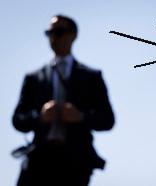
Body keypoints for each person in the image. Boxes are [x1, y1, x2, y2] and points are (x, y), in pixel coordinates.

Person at [12, 15, 115, 186]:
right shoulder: (33, 78)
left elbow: (107, 120)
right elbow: (17, 120)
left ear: (73, 35)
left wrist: (81, 116)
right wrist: (39, 116)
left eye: (58, 32)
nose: (53, 37)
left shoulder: (91, 77)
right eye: (49, 33)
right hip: (38, 161)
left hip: (75, 164)